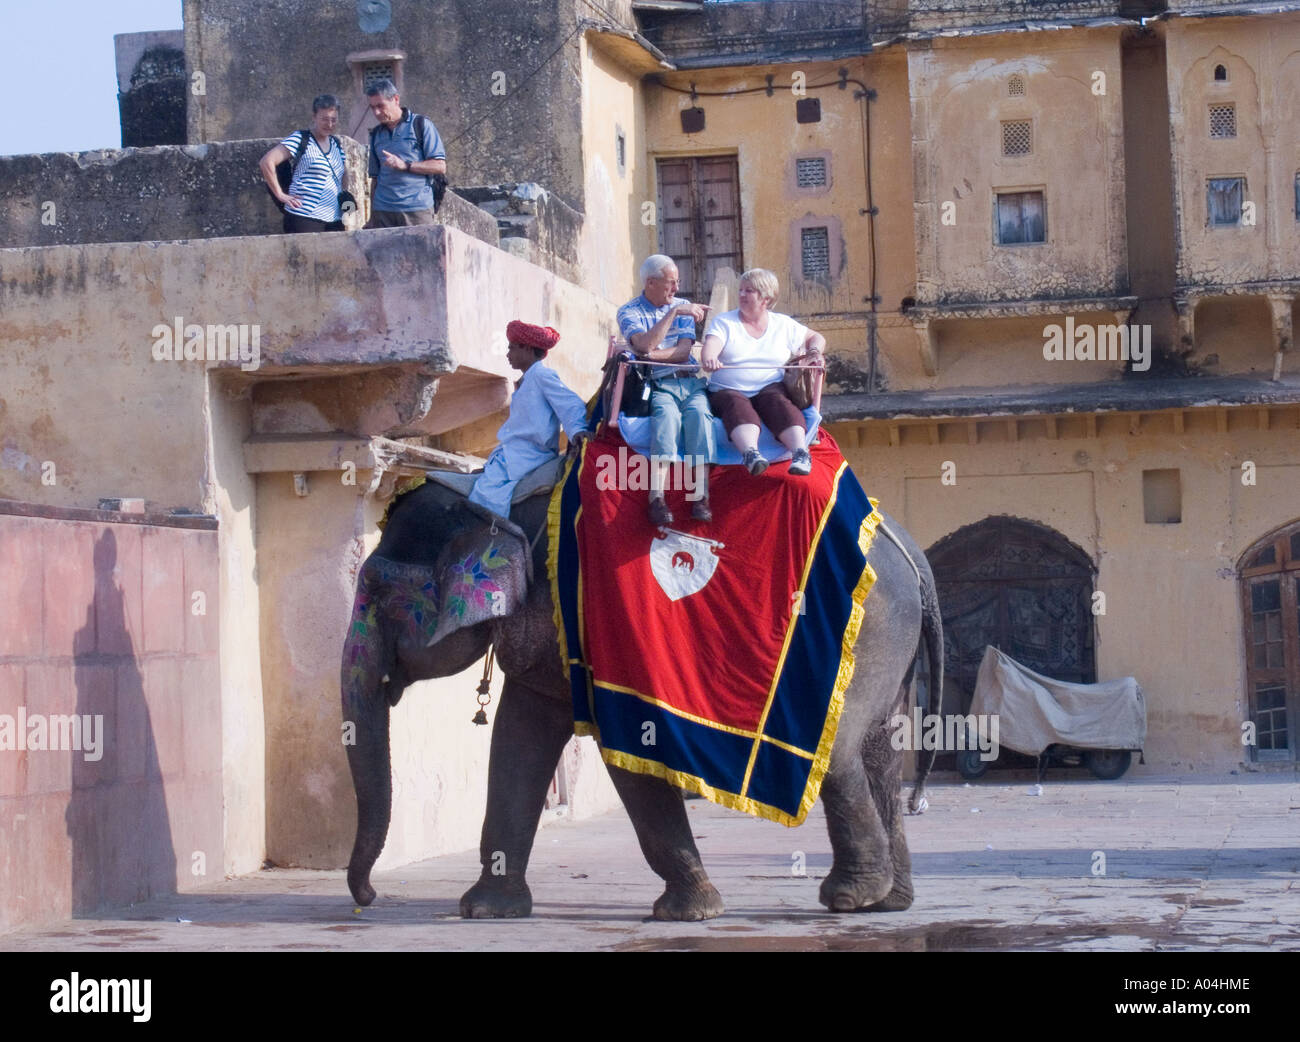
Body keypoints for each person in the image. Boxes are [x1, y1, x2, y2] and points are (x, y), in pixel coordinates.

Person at [617, 254, 715, 525]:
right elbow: (645, 343)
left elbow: (683, 352)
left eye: (677, 283)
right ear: (650, 283)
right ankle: (656, 498)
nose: (676, 289)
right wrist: (671, 315)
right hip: (659, 384)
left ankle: (700, 496)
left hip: (690, 381)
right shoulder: (630, 311)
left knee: (700, 418)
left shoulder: (684, 305)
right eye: (670, 283)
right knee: (666, 422)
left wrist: (648, 353)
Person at [700, 268, 825, 477]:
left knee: (777, 402)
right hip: (727, 388)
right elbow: (711, 345)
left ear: (765, 298)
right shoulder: (724, 322)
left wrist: (813, 352)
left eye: (748, 291)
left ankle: (801, 454)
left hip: (769, 386)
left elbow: (817, 337)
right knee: (736, 404)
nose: (741, 295)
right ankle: (751, 455)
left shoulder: (783, 324)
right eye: (740, 290)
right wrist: (709, 358)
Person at [468, 320, 590, 520]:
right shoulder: (527, 381)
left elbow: (570, 403)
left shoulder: (542, 375)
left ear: (527, 349)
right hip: (513, 453)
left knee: (485, 495)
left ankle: (491, 542)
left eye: (512, 348)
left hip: (527, 455)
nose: (508, 354)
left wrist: (577, 429)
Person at [363, 79, 447, 228]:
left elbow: (439, 166)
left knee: (420, 252)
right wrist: (372, 217)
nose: (376, 112)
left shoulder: (421, 125)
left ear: (395, 100)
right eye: (372, 107)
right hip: (383, 212)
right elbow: (375, 179)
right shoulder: (376, 134)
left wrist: (406, 165)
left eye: (381, 106)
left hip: (416, 210)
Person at [259, 95, 347, 233]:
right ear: (314, 117)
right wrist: (280, 194)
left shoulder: (337, 145)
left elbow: (340, 179)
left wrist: (347, 207)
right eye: (324, 119)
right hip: (304, 217)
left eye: (333, 120)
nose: (329, 124)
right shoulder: (301, 139)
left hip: (334, 219)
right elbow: (267, 161)